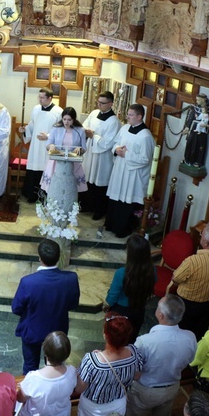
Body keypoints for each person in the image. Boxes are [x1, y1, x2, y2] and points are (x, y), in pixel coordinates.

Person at [12, 239, 80, 374]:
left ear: (40, 258)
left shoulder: (28, 282)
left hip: (32, 331)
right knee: (56, 366)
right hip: (57, 331)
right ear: (58, 257)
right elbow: (73, 304)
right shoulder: (71, 278)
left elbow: (16, 308)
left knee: (30, 367)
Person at [127, 295, 197, 416]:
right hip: (172, 387)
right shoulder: (190, 337)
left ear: (161, 315)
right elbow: (190, 360)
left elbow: (134, 370)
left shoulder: (144, 341)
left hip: (146, 390)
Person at [77, 314, 143, 416]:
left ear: (105, 335)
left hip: (93, 409)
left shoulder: (92, 361)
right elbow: (137, 376)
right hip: (118, 405)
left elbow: (79, 388)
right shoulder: (134, 353)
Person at [104, 104, 155, 237]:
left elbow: (145, 159)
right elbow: (115, 142)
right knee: (116, 198)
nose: (128, 117)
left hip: (133, 175)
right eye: (128, 114)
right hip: (120, 169)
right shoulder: (125, 128)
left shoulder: (145, 136)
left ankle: (123, 229)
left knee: (127, 200)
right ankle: (110, 224)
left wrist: (126, 154)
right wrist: (117, 149)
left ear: (139, 117)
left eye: (131, 115)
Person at [17, 331, 86, 416]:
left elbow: (20, 399)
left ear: (45, 351)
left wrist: (24, 387)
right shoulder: (72, 372)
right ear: (67, 354)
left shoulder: (33, 378)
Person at [104, 234, 156, 342]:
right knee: (132, 338)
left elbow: (112, 296)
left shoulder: (121, 273)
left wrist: (106, 305)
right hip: (139, 309)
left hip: (120, 311)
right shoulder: (152, 270)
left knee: (117, 339)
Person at [19, 89, 63, 203]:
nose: (40, 99)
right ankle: (33, 194)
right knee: (35, 169)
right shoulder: (36, 109)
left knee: (47, 170)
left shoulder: (58, 112)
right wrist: (24, 130)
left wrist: (48, 136)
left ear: (50, 98)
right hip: (36, 145)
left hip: (49, 146)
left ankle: (46, 196)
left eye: (42, 97)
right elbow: (32, 124)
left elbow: (61, 131)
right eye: (39, 97)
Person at [81, 91, 120, 220]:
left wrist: (94, 136)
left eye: (102, 103)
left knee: (99, 184)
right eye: (98, 102)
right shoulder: (93, 113)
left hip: (102, 157)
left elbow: (109, 142)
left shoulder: (114, 122)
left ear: (110, 104)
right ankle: (86, 206)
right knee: (87, 179)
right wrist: (86, 131)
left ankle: (99, 210)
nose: (99, 105)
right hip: (90, 153)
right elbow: (84, 125)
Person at [40, 106, 88, 195]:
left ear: (74, 119)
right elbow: (48, 143)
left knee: (70, 189)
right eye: (64, 119)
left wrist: (80, 149)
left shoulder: (80, 130)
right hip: (57, 161)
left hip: (73, 162)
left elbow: (84, 148)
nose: (66, 122)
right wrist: (51, 146)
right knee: (54, 187)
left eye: (69, 120)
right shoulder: (56, 128)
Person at [183, 94, 209, 167]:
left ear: (204, 100)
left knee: (199, 146)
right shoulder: (195, 109)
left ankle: (197, 161)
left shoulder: (208, 111)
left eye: (198, 100)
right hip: (193, 130)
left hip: (201, 132)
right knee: (190, 144)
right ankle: (188, 159)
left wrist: (206, 125)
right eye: (197, 100)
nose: (197, 101)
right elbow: (190, 119)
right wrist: (187, 127)